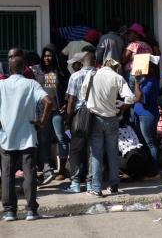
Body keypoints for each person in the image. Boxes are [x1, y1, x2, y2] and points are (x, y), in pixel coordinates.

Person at [0, 57, 52, 221]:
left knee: (7, 175)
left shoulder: (1, 85)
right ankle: (31, 210)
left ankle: (9, 211)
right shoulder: (32, 84)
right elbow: (48, 102)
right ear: (24, 68)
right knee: (29, 173)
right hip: (28, 136)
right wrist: (42, 122)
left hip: (7, 137)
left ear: (9, 68)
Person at [81, 58, 135, 197]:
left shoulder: (92, 75)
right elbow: (130, 98)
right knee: (112, 153)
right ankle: (114, 185)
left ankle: (96, 188)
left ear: (103, 64)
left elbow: (82, 95)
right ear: (116, 67)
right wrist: (121, 108)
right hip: (112, 119)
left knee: (96, 154)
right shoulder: (117, 77)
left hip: (95, 118)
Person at [63, 52, 96, 193]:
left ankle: (75, 183)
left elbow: (71, 101)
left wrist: (67, 120)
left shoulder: (75, 76)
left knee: (75, 150)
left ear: (82, 63)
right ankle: (90, 183)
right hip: (96, 115)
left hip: (80, 115)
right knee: (92, 151)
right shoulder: (100, 74)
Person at [36, 44, 68, 183]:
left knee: (61, 138)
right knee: (44, 141)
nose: (46, 58)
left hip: (57, 111)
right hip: (44, 112)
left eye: (49, 55)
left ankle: (62, 170)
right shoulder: (38, 71)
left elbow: (69, 90)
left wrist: (66, 104)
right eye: (45, 55)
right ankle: (47, 169)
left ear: (54, 56)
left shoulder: (61, 71)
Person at [133, 61, 160, 180]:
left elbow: (139, 98)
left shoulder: (150, 82)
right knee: (145, 143)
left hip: (147, 116)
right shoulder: (147, 80)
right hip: (142, 115)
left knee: (150, 143)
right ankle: (149, 169)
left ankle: (153, 171)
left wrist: (136, 82)